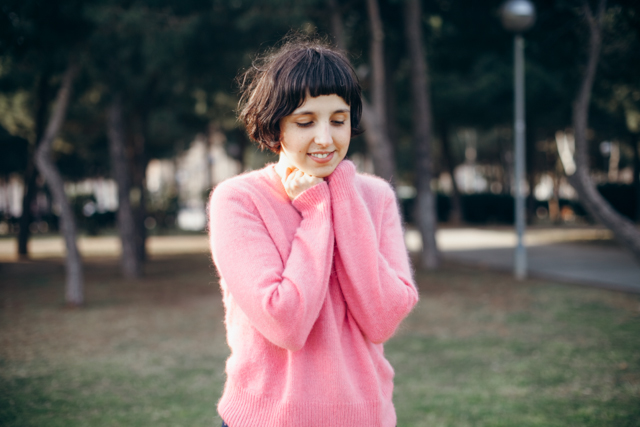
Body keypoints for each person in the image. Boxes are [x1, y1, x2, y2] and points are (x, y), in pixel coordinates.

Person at [208, 35, 419, 427]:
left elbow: (382, 318)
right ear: (276, 125)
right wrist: (318, 211)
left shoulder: (376, 197)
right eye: (305, 122)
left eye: (338, 120)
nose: (326, 139)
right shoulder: (238, 200)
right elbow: (285, 323)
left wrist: (339, 190)